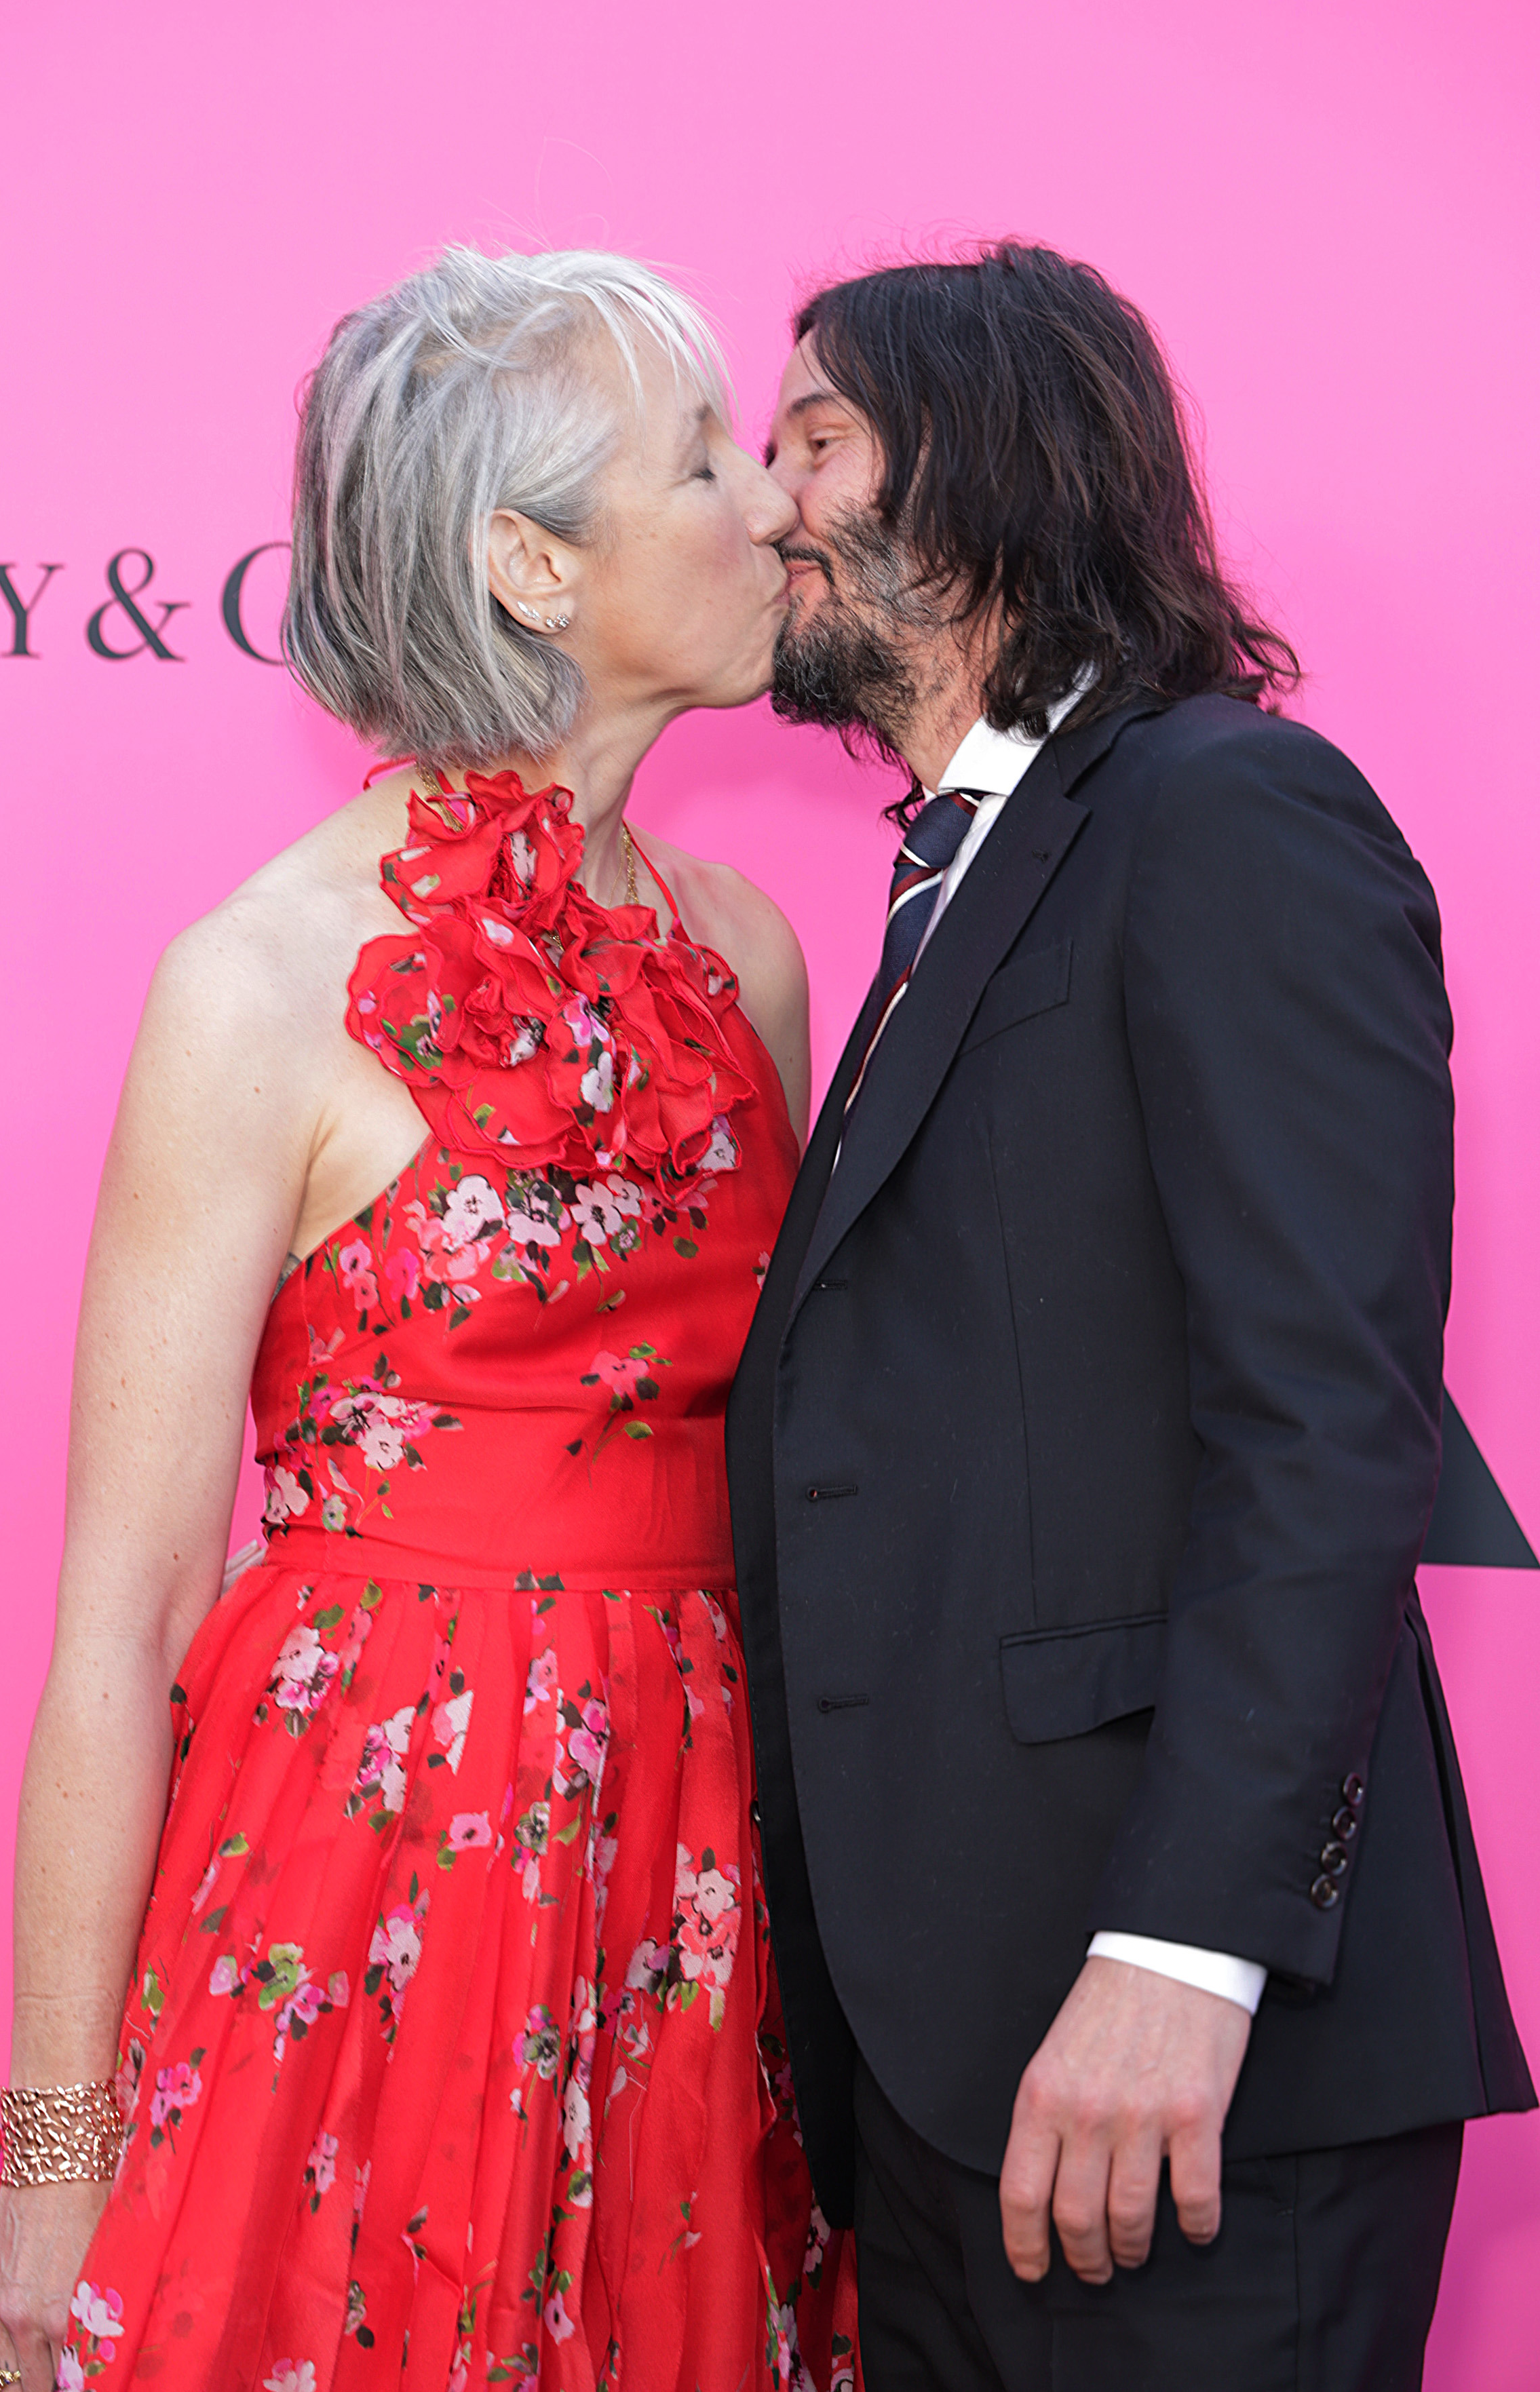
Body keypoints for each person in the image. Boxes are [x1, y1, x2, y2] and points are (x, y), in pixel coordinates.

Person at [0, 246, 859, 2392]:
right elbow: (128, 1605)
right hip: (374, 1880)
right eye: (703, 463)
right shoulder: (258, 984)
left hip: (712, 1867)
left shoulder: (759, 957)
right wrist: (55, 2138)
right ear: (533, 566)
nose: (771, 508)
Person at [726, 242, 1535, 2390]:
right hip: (944, 2069)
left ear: (979, 474)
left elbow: (1327, 1425)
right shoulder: (941, 889)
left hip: (1180, 2058)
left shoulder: (1225, 813)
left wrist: (1188, 1951)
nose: (760, 499)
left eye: (812, 438)